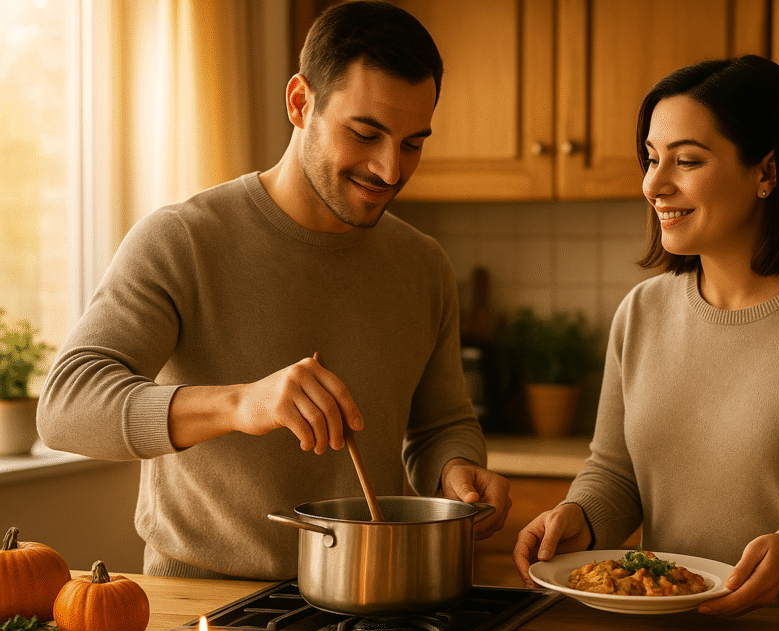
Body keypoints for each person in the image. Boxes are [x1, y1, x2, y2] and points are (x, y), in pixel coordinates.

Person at [37, 0, 511, 581]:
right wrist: (240, 404)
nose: (390, 169)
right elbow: (66, 407)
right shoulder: (182, 239)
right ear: (299, 103)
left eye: (412, 142)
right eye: (365, 133)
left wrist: (456, 469)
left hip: (368, 598)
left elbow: (440, 424)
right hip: (201, 609)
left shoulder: (424, 265)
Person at [512, 55, 779, 614]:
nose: (653, 184)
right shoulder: (642, 312)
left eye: (686, 160)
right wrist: (581, 517)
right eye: (650, 159)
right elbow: (616, 473)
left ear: (766, 171)